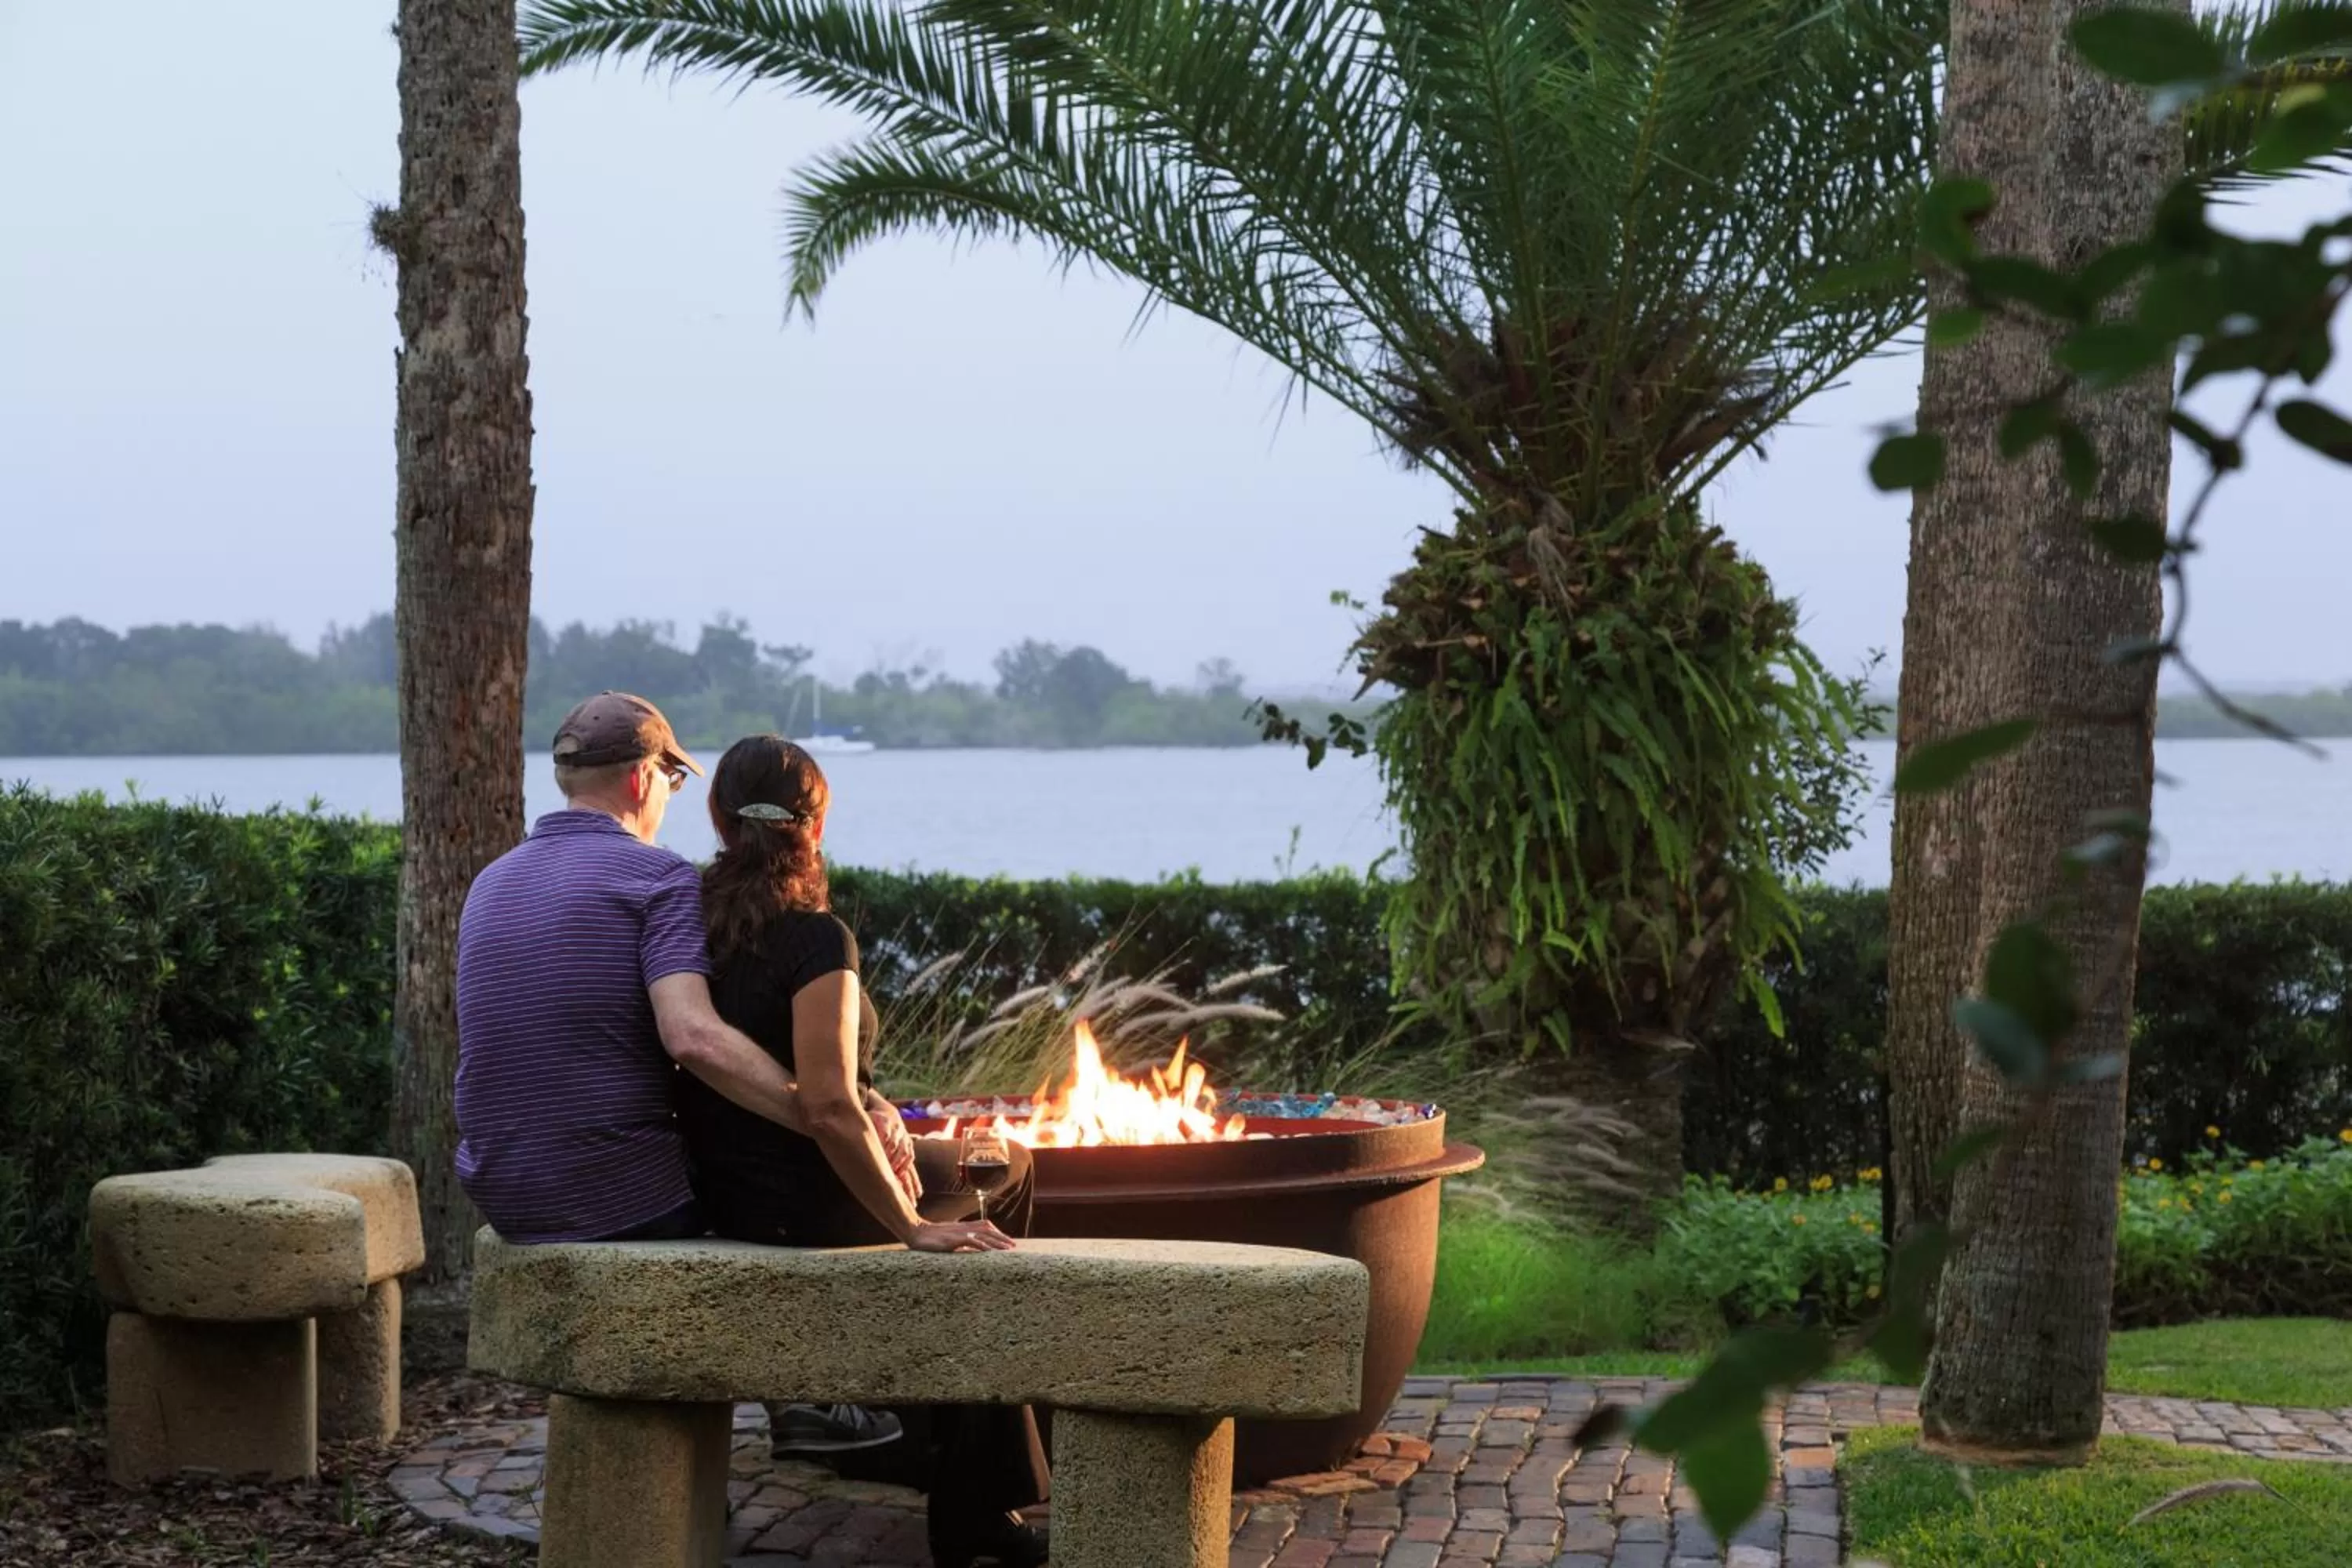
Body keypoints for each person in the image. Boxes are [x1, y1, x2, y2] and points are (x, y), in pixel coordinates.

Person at [673, 734, 1050, 1568]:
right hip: (814, 1203)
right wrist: (912, 1222)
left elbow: (823, 1089)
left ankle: (915, 1442)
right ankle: (974, 1503)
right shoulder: (815, 937)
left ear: (716, 817)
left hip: (725, 1196)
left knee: (974, 1189)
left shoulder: (683, 929)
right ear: (814, 828)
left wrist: (874, 1104)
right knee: (1005, 1171)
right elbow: (829, 1104)